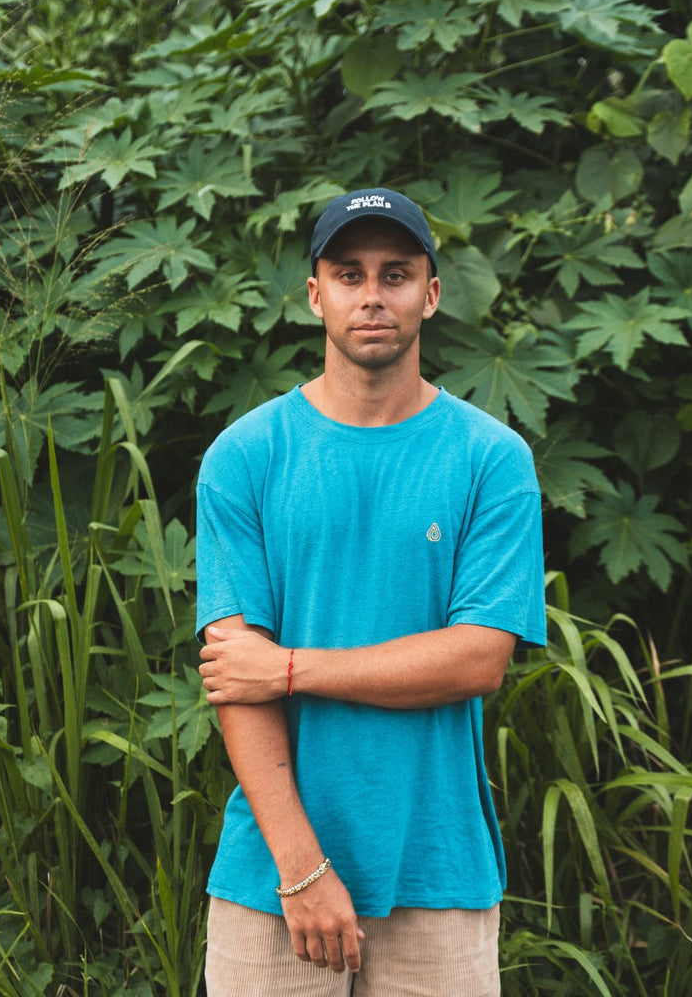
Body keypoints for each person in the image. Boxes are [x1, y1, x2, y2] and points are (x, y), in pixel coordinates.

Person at [195, 187, 546, 996]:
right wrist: (301, 869)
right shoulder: (245, 456)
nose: (372, 296)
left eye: (395, 274)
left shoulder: (489, 458)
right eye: (348, 274)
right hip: (269, 871)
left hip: (436, 865)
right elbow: (232, 679)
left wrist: (290, 669)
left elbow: (477, 659)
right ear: (316, 295)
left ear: (429, 292)